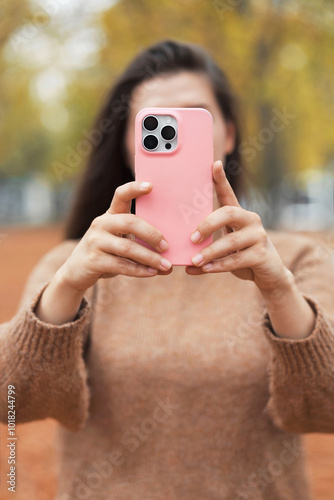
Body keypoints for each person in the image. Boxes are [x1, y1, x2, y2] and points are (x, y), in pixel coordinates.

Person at [1, 39, 334, 500]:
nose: (172, 133)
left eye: (193, 116)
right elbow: (12, 399)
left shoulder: (298, 260)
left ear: (231, 133)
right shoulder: (72, 267)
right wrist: (68, 289)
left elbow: (326, 407)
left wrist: (280, 292)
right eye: (154, 122)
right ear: (126, 142)